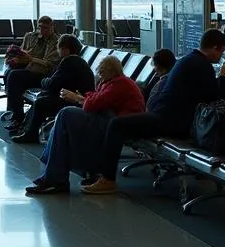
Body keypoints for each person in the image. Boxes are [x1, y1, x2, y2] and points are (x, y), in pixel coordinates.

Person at [95, 29, 225, 192]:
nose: (221, 56)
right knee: (116, 124)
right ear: (214, 48)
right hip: (172, 122)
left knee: (116, 124)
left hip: (166, 118)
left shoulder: (188, 60)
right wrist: (223, 77)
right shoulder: (202, 66)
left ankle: (106, 177)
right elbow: (215, 98)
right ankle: (107, 180)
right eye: (221, 51)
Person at [25, 55, 145, 196]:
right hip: (110, 120)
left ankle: (54, 178)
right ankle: (54, 178)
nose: (99, 76)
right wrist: (83, 98)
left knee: (65, 114)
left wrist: (77, 98)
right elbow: (97, 99)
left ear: (109, 71)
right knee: (65, 118)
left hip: (118, 125)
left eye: (102, 72)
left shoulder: (120, 84)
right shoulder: (115, 82)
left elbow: (93, 104)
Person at [10, 34, 95, 144]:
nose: (57, 51)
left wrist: (43, 81)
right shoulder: (78, 62)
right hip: (78, 98)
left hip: (77, 101)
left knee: (41, 102)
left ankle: (30, 133)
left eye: (59, 48)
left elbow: (52, 83)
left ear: (65, 50)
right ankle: (27, 130)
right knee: (43, 97)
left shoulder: (69, 62)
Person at [3, 16, 60, 130]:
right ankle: (13, 110)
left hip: (44, 75)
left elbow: (48, 64)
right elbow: (24, 52)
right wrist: (18, 57)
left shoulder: (55, 41)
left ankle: (18, 117)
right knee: (10, 72)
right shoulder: (31, 37)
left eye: (45, 28)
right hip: (30, 69)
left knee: (14, 76)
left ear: (52, 28)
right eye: (40, 27)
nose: (42, 31)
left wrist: (30, 58)